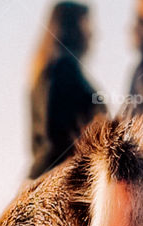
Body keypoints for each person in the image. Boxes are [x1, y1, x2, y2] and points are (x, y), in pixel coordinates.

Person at [29, 2, 107, 179]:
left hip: (46, 178)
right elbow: (55, 138)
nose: (93, 33)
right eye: (87, 23)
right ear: (73, 26)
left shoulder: (46, 71)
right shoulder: (64, 67)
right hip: (61, 181)